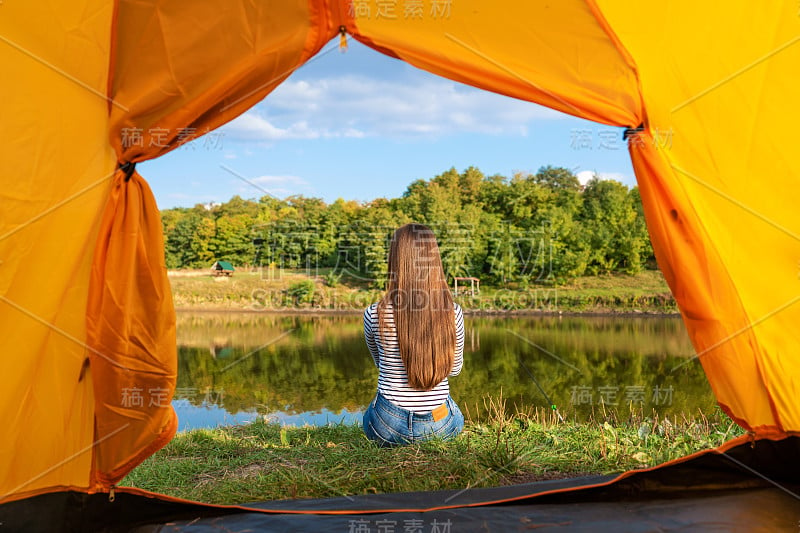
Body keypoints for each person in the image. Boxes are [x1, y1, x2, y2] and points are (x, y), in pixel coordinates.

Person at [362, 223, 465, 446]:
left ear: (395, 260)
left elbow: (381, 365)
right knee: (454, 411)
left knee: (370, 411)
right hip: (440, 426)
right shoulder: (452, 312)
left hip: (385, 426)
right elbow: (454, 370)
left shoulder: (374, 313)